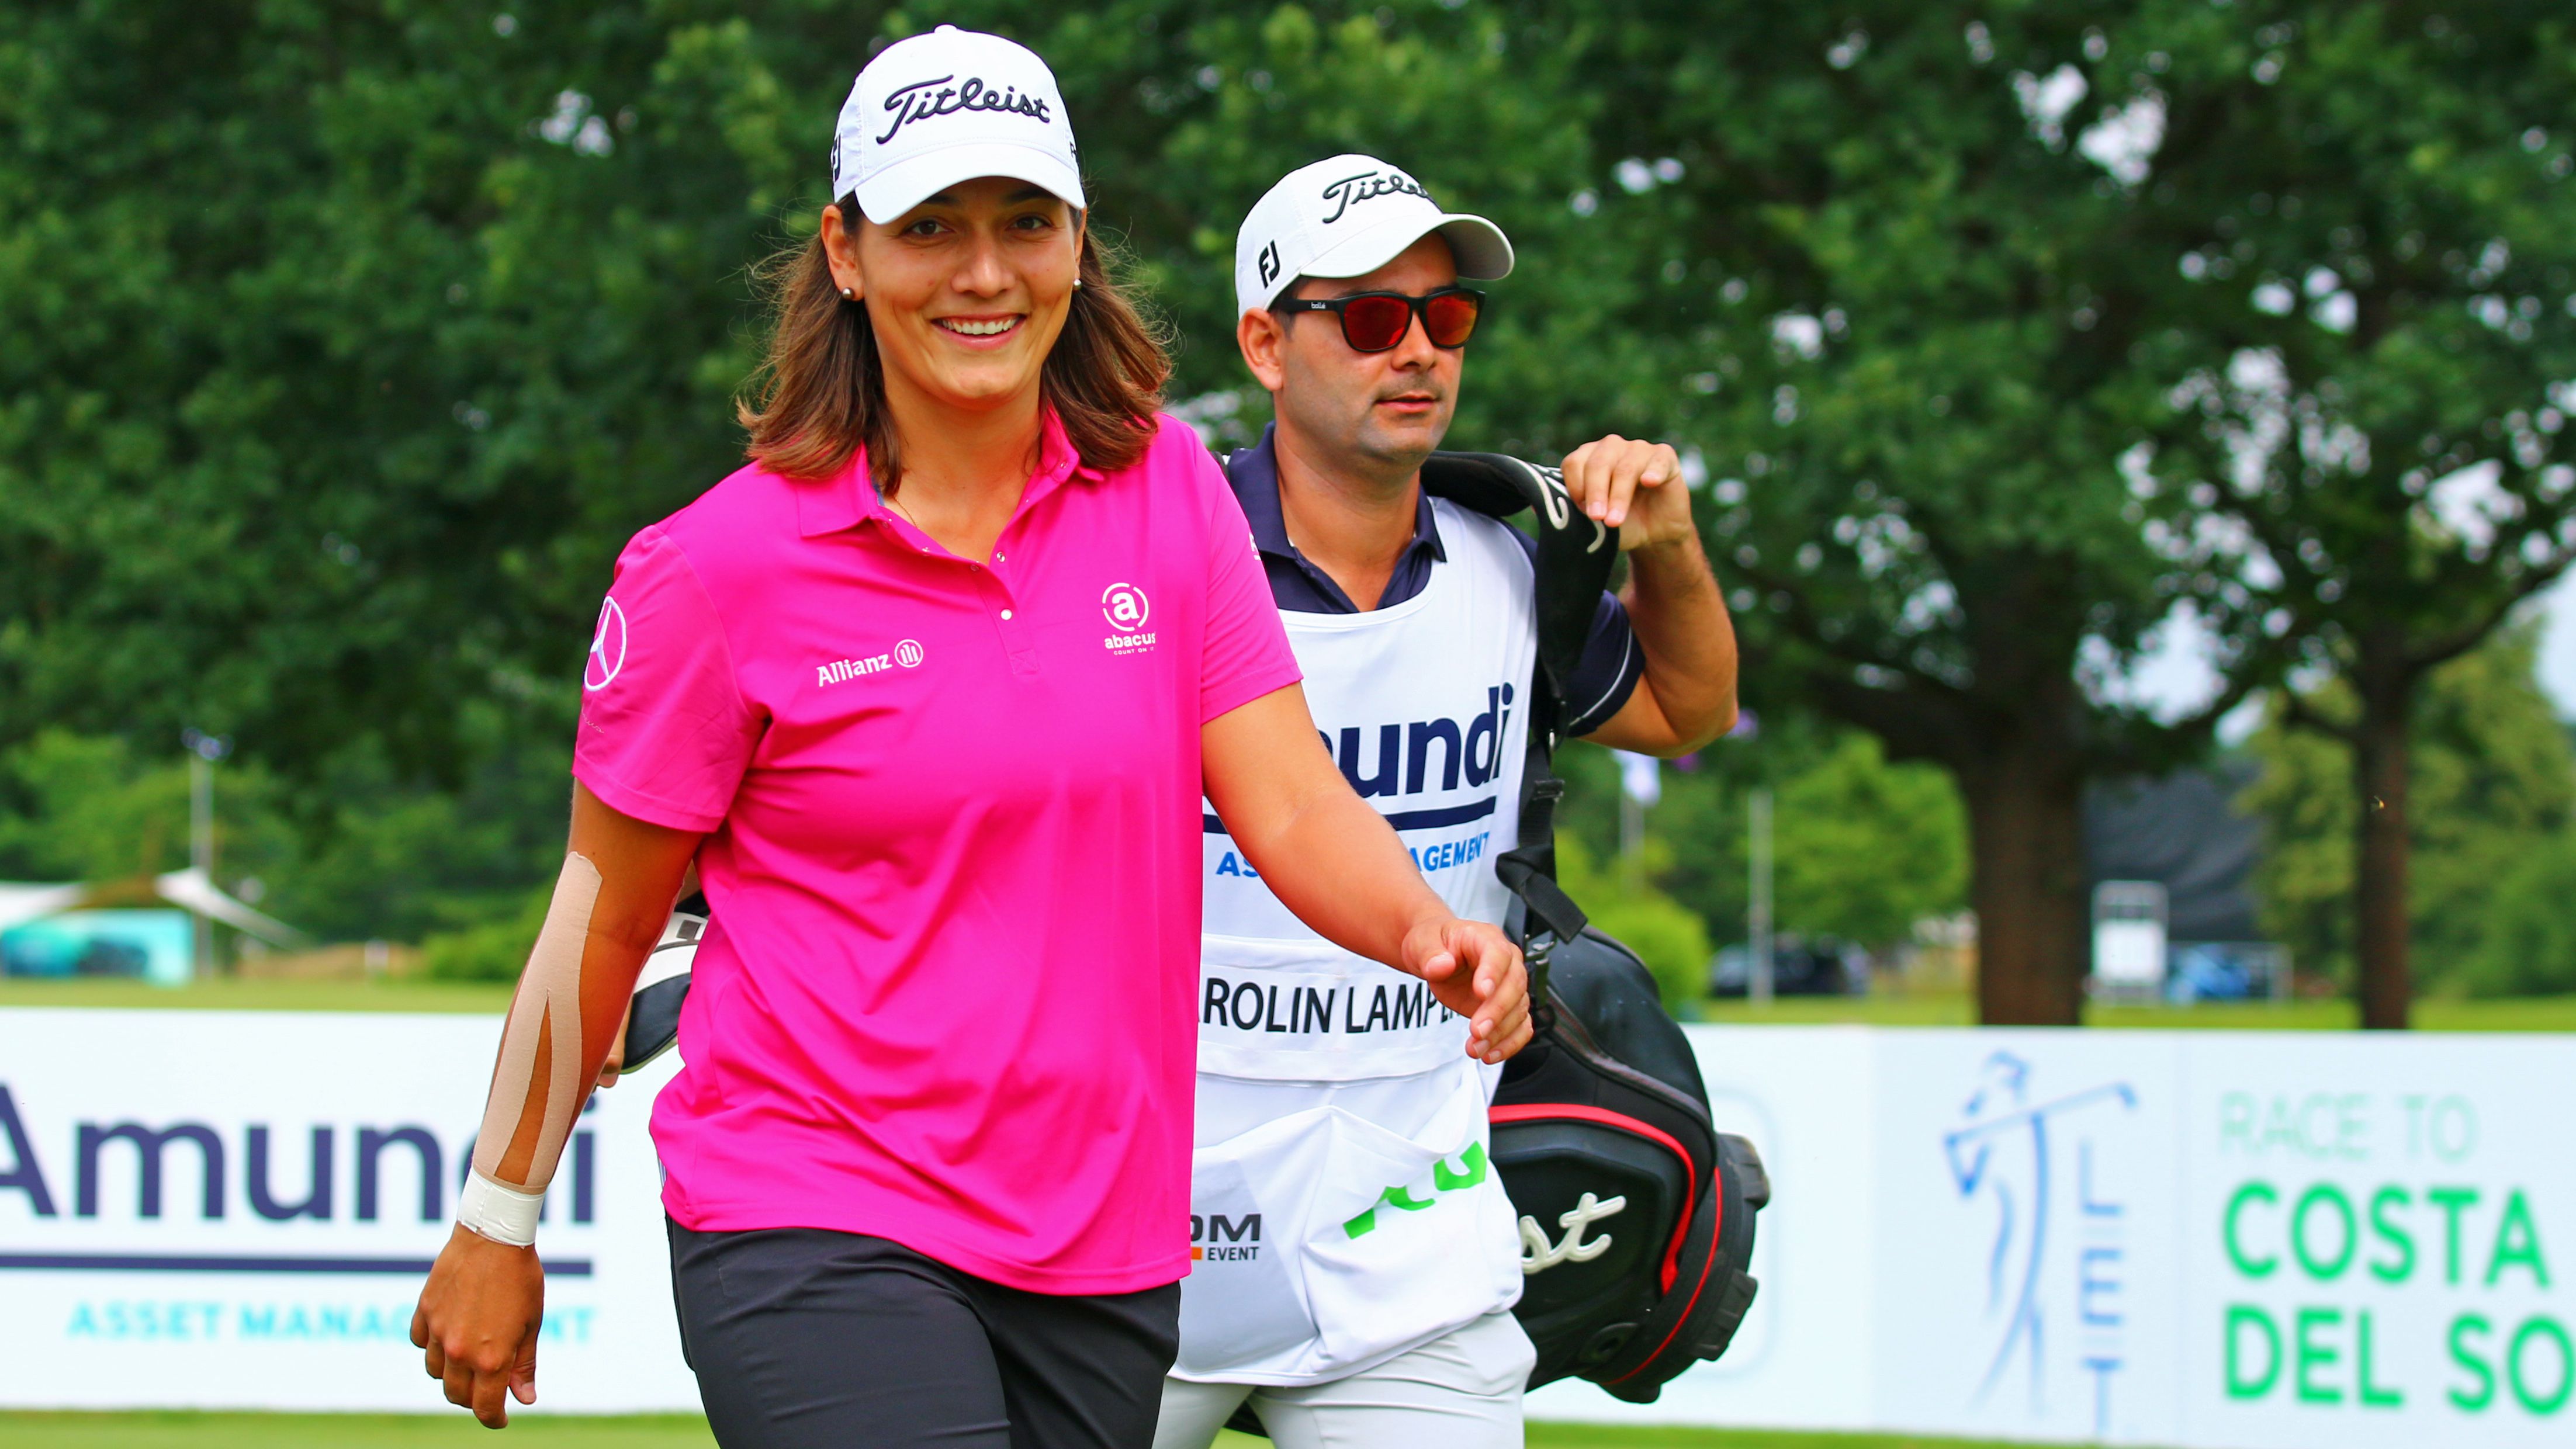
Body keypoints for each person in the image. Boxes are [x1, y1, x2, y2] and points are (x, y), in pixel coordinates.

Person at [407, 37, 1529, 1449]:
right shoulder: (716, 568)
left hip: (1101, 1238)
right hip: (811, 1202)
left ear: (1075, 242)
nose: (982, 273)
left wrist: (1430, 933)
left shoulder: (1167, 491)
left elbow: (1292, 804)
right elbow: (602, 914)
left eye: (1021, 224)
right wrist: (498, 1214)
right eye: (929, 226)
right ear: (845, 251)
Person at [1154, 155, 1737, 1449]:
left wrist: (1670, 549)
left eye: (1445, 316)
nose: (1414, 349)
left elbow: (1686, 713)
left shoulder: (1513, 561)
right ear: (1264, 341)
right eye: (1367, 316)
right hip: (1138, 1220)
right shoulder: (1156, 558)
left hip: (1406, 1236)